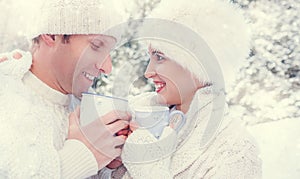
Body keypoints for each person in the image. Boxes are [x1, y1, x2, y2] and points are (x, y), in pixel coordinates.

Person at [117, 0, 262, 178]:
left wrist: (147, 167)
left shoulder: (235, 149)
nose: (147, 72)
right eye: (150, 57)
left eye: (159, 57)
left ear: (197, 64)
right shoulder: (132, 116)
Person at [0, 0, 131, 178]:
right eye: (96, 46)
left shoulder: (87, 109)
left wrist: (108, 166)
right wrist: (81, 156)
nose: (107, 67)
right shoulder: (6, 100)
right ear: (52, 34)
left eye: (110, 52)